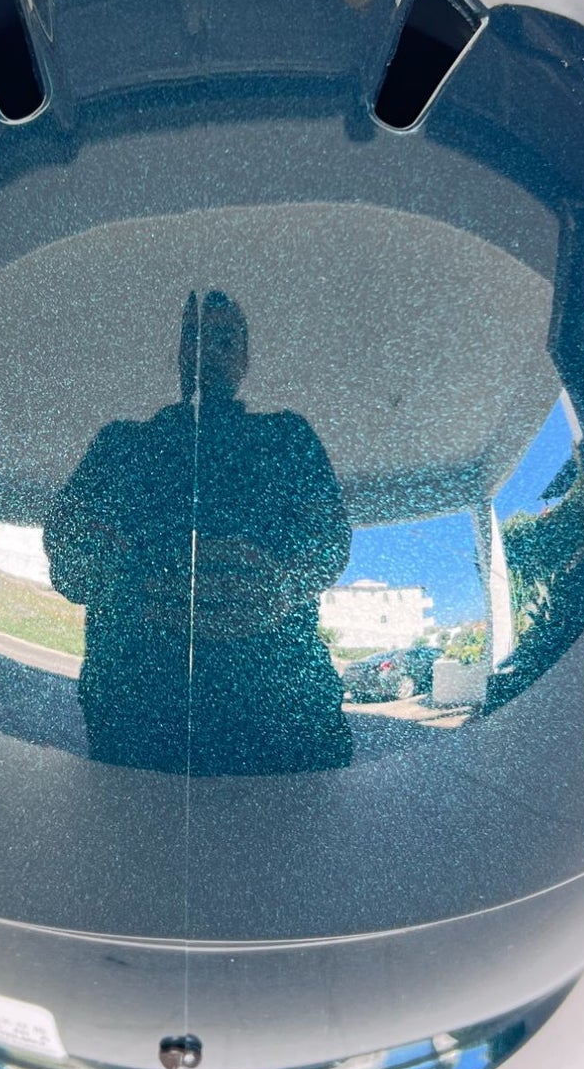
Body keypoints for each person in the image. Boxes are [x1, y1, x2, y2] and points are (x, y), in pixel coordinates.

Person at [44, 291, 353, 774]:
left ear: (245, 358)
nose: (209, 350)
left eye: (226, 339)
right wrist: (100, 563)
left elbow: (331, 541)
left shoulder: (287, 437)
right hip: (135, 707)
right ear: (178, 350)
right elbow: (64, 550)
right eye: (194, 335)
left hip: (283, 706)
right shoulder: (120, 443)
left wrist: (285, 586)